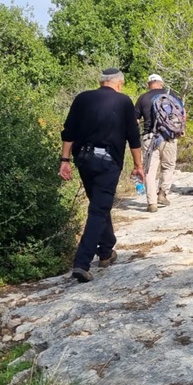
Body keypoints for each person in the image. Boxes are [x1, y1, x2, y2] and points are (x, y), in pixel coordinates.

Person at [59, 67, 144, 283]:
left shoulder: (82, 99)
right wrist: (138, 165)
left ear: (101, 82)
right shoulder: (124, 101)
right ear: (119, 84)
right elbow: (133, 136)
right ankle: (82, 263)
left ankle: (106, 251)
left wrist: (65, 161)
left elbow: (69, 131)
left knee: (99, 204)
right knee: (98, 210)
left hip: (84, 160)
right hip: (107, 162)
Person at [134, 73, 185, 213]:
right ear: (161, 83)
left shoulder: (143, 98)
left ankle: (152, 203)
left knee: (150, 170)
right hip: (169, 137)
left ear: (148, 84)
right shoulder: (171, 95)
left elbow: (135, 121)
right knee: (168, 166)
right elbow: (182, 114)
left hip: (149, 138)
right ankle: (163, 193)